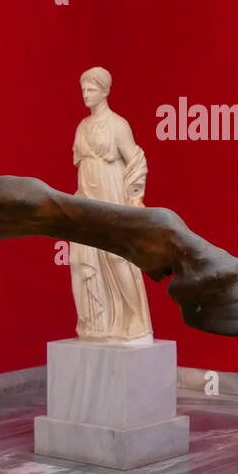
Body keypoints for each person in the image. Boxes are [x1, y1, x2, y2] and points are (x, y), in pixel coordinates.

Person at [69, 66, 154, 343]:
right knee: (83, 262)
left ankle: (135, 319)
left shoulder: (118, 125)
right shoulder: (82, 126)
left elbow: (136, 159)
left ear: (104, 91)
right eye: (83, 89)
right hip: (87, 199)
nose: (86, 95)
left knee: (118, 258)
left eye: (91, 89)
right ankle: (97, 323)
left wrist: (135, 197)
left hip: (112, 195)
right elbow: (82, 167)